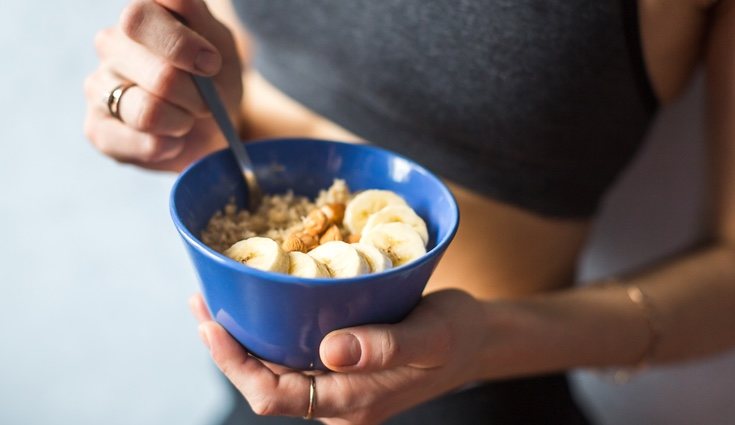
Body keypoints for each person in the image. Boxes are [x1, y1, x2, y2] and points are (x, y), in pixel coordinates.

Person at [84, 0, 735, 423]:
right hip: (245, 390)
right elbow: (254, 60)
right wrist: (186, 110)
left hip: (478, 395)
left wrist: (483, 344)